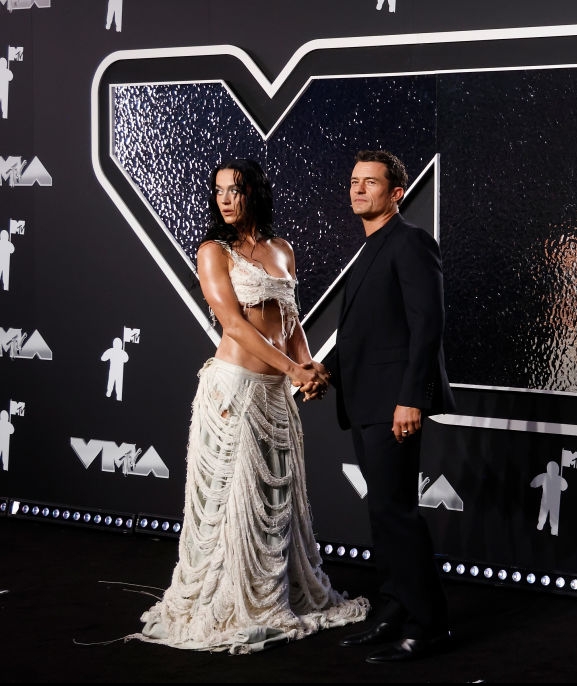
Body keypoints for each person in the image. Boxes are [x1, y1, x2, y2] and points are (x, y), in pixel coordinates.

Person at [130, 158, 369, 654]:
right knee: (234, 502)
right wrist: (293, 370)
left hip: (276, 394)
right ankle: (228, 601)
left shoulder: (282, 250)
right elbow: (235, 325)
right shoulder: (213, 252)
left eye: (234, 190)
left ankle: (272, 595)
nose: (225, 199)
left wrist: (310, 365)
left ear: (254, 193)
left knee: (274, 504)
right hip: (234, 389)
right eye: (218, 191)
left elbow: (291, 320)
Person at [326, 149, 456, 663]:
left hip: (393, 403)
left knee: (397, 513)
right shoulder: (370, 247)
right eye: (354, 181)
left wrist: (410, 399)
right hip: (365, 401)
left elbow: (427, 326)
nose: (358, 189)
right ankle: (393, 608)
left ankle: (428, 623)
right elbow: (367, 335)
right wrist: (324, 374)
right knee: (382, 511)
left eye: (370, 183)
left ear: (396, 193)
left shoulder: (411, 242)